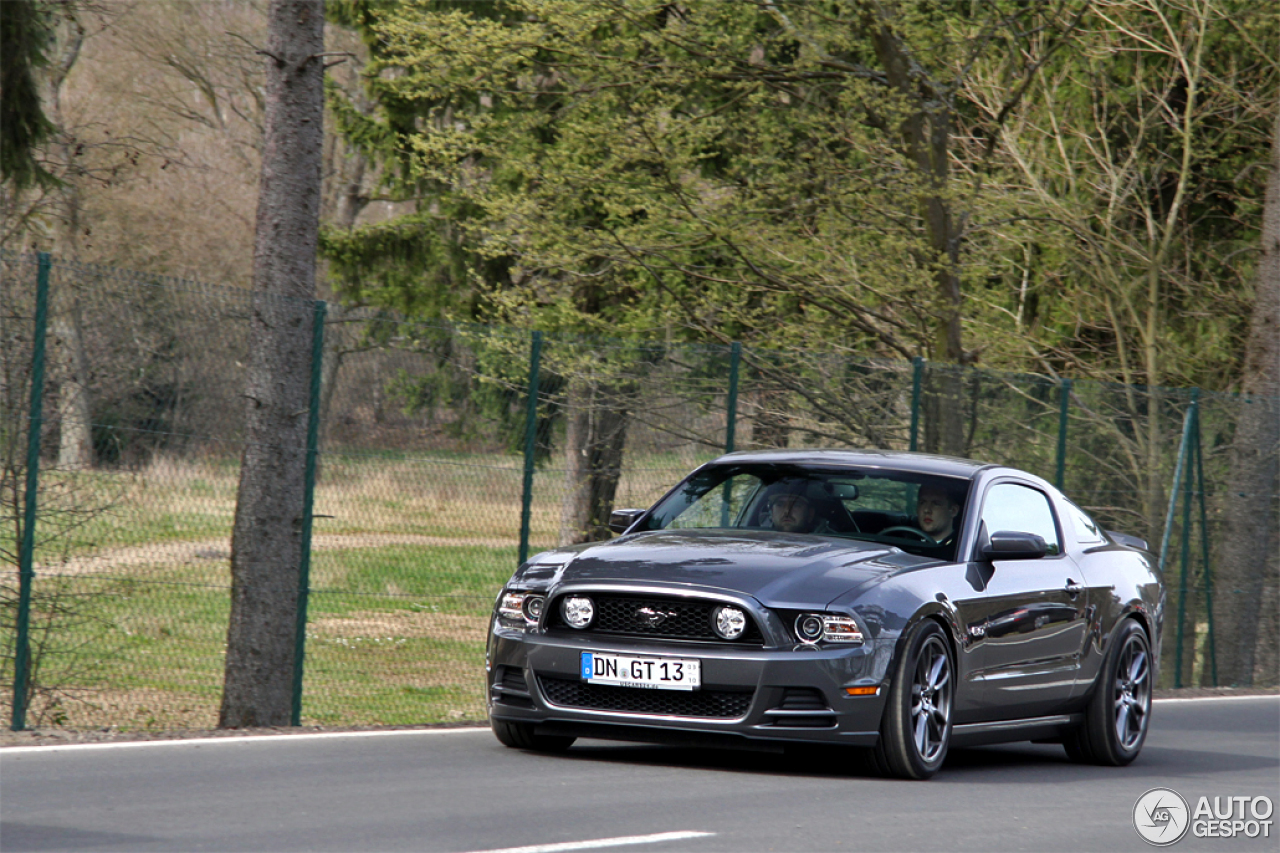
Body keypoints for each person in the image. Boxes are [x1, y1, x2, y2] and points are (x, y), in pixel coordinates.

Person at [766, 482, 834, 535]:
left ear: (810, 514)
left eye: (795, 505)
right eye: (780, 505)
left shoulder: (832, 543)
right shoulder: (758, 537)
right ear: (772, 512)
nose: (787, 511)